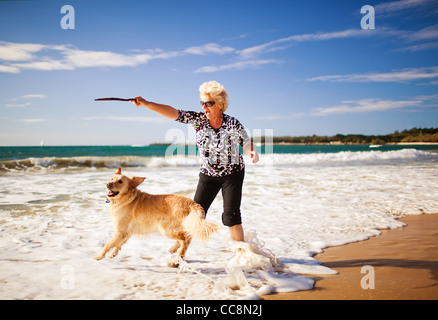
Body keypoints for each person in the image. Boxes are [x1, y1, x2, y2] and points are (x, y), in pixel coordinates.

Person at [132, 80, 259, 242]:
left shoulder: (232, 123)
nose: (204, 107)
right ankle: (180, 255)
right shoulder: (198, 120)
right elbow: (172, 113)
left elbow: (246, 142)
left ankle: (242, 255)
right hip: (208, 175)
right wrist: (147, 104)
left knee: (231, 216)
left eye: (209, 103)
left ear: (220, 104)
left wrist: (252, 152)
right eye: (202, 103)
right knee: (194, 216)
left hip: (232, 175)